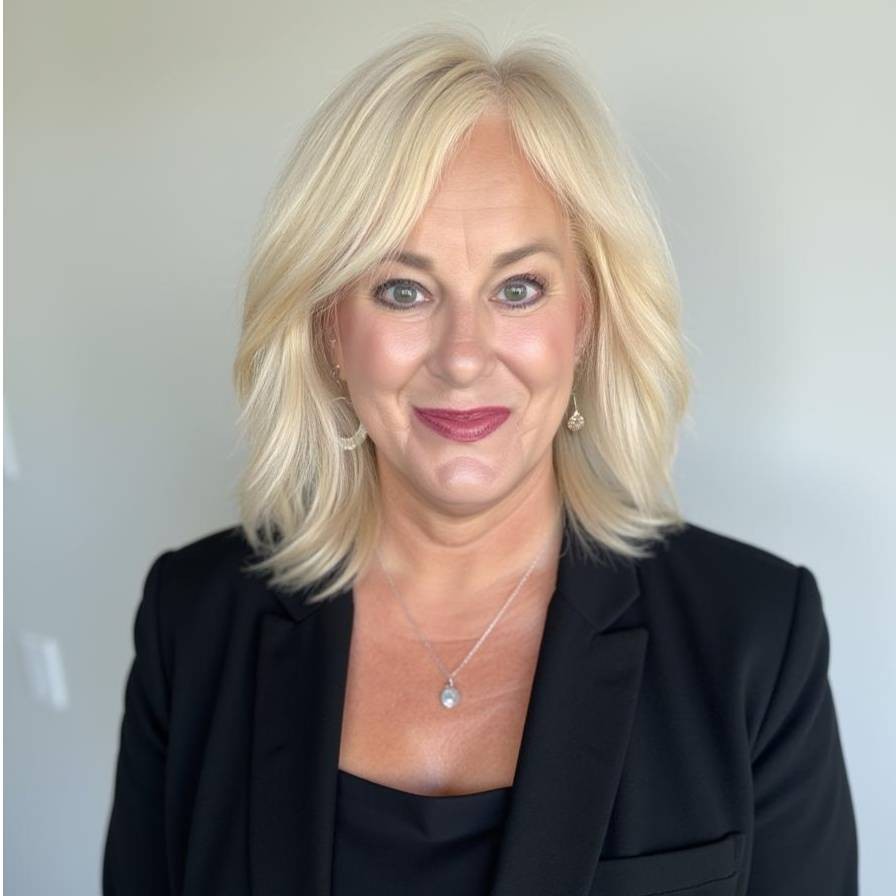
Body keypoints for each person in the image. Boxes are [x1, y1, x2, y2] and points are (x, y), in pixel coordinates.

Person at [102, 25, 858, 896]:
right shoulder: (191, 621)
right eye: (403, 290)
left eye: (518, 288)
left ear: (586, 318)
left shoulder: (756, 635)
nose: (463, 357)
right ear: (330, 331)